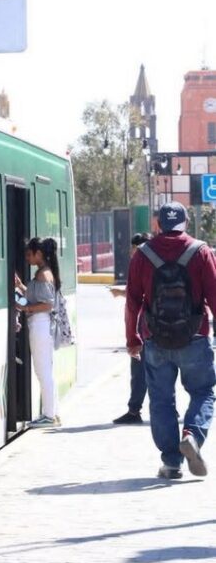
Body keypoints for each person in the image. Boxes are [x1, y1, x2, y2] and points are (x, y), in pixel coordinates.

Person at [125, 201, 216, 479]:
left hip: (156, 339)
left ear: (158, 224)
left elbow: (132, 301)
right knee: (203, 392)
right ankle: (192, 435)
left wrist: (132, 338)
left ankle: (171, 463)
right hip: (195, 337)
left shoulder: (143, 254)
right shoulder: (201, 251)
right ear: (185, 222)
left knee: (161, 401)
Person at [15, 236, 61, 428]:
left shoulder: (43, 275)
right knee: (46, 371)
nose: (27, 258)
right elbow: (37, 297)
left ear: (39, 254)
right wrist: (20, 287)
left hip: (40, 325)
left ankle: (49, 416)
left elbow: (47, 304)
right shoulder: (44, 273)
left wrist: (25, 308)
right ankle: (53, 413)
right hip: (42, 325)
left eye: (29, 254)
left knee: (43, 371)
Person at [110, 232, 151, 424]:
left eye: (134, 248)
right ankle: (169, 409)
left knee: (139, 371)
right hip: (153, 327)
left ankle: (134, 411)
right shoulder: (155, 264)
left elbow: (138, 296)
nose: (131, 252)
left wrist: (132, 336)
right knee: (160, 371)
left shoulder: (141, 264)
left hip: (143, 328)